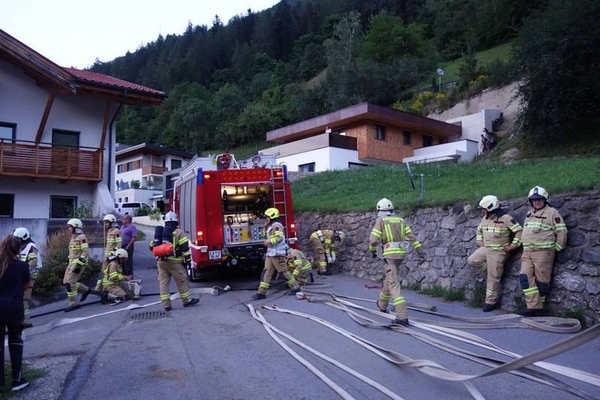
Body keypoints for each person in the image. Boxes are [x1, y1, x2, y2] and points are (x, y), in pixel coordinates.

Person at [368, 198, 424, 326]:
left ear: (379, 210)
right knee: (389, 279)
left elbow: (373, 239)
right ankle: (382, 304)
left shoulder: (380, 220)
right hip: (401, 255)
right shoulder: (400, 220)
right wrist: (419, 251)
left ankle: (402, 316)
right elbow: (412, 237)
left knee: (394, 284)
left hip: (389, 256)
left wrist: (372, 251)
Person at [467, 195, 523, 312]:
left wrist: (513, 245)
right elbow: (479, 230)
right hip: (486, 249)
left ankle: (490, 302)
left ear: (490, 208)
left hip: (498, 252)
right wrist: (480, 242)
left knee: (493, 277)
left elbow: (519, 231)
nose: (481, 211)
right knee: (472, 260)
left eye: (483, 209)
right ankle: (488, 268)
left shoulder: (506, 218)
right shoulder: (485, 218)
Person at [519, 186, 567, 317]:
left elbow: (561, 231)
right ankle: (534, 307)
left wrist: (557, 248)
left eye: (539, 199)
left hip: (543, 253)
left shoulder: (552, 213)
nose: (537, 202)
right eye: (534, 200)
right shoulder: (529, 213)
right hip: (527, 252)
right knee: (525, 278)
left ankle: (537, 309)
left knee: (541, 283)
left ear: (545, 200)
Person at [149, 211, 199, 311]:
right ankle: (186, 300)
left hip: (160, 262)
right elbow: (185, 248)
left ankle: (166, 305)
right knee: (182, 280)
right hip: (174, 262)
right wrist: (189, 261)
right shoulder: (179, 232)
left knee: (163, 283)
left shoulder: (160, 233)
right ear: (176, 222)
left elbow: (151, 246)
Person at [0, 235, 31, 393]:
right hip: (14, 309)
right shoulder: (21, 266)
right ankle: (17, 380)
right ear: (18, 249)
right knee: (16, 343)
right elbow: (26, 285)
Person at [252, 208, 300, 300]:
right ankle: (261, 293)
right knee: (267, 272)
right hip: (271, 254)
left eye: (267, 217)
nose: (266, 218)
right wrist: (265, 227)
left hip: (277, 254)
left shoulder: (277, 226)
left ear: (272, 217)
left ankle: (296, 288)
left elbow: (279, 238)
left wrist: (268, 242)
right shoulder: (271, 226)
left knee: (284, 272)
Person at [63, 218, 99, 312]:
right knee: (66, 282)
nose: (68, 229)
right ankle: (86, 291)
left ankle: (73, 304)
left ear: (75, 227)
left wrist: (79, 264)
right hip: (71, 263)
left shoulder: (81, 237)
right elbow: (72, 252)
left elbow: (85, 251)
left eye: (70, 227)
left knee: (70, 283)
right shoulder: (73, 237)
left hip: (78, 263)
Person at [12, 227, 42, 328]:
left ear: (23, 238)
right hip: (21, 276)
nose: (15, 241)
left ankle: (26, 321)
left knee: (24, 298)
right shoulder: (20, 247)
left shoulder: (31, 247)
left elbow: (33, 263)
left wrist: (22, 271)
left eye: (17, 239)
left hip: (30, 276)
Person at [95, 214, 122, 291]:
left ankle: (103, 288)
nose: (105, 224)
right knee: (103, 271)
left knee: (110, 272)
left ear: (112, 223)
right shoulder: (109, 231)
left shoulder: (116, 231)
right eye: (105, 222)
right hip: (106, 256)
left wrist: (113, 254)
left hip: (111, 257)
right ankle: (100, 288)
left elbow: (119, 244)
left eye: (107, 222)